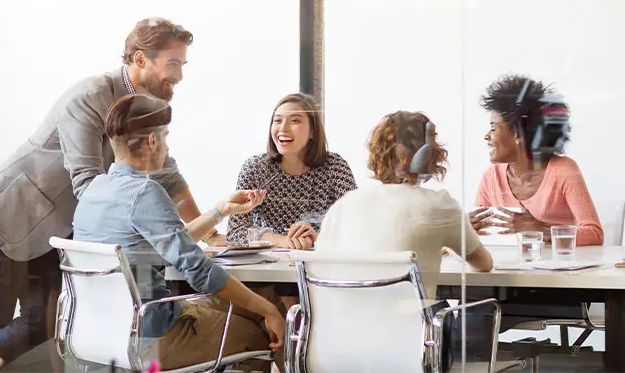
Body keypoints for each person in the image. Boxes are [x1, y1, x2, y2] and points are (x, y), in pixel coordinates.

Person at [0, 17, 205, 364]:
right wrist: (142, 219)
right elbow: (87, 183)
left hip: (58, 228)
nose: (179, 76)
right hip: (11, 217)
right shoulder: (90, 97)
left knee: (45, 325)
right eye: (172, 64)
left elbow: (168, 174)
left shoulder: (145, 106)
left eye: (182, 65)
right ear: (140, 59)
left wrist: (207, 231)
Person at [73, 93, 286, 371]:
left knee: (260, 301)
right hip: (154, 336)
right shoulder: (145, 192)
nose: (166, 146)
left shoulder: (95, 190)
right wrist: (269, 312)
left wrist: (220, 210)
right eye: (166, 137)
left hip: (99, 333)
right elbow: (199, 270)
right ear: (153, 141)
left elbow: (171, 243)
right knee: (262, 330)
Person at [316, 111, 493, 369]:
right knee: (473, 312)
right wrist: (447, 244)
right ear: (429, 156)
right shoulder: (440, 205)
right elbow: (483, 264)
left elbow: (323, 267)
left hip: (339, 345)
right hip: (409, 347)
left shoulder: (344, 206)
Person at [469, 74, 603, 245]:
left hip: (558, 269)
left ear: (518, 133)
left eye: (493, 129)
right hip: (510, 269)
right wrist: (467, 230)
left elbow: (594, 233)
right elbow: (482, 237)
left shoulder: (564, 170)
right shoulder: (491, 176)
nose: (486, 136)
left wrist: (539, 229)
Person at [226, 93, 357, 248]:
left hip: (320, 262)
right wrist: (284, 240)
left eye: (295, 121)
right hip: (266, 265)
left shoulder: (334, 167)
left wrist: (319, 238)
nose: (283, 128)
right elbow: (234, 233)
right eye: (278, 120)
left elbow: (356, 226)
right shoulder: (255, 168)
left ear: (312, 131)